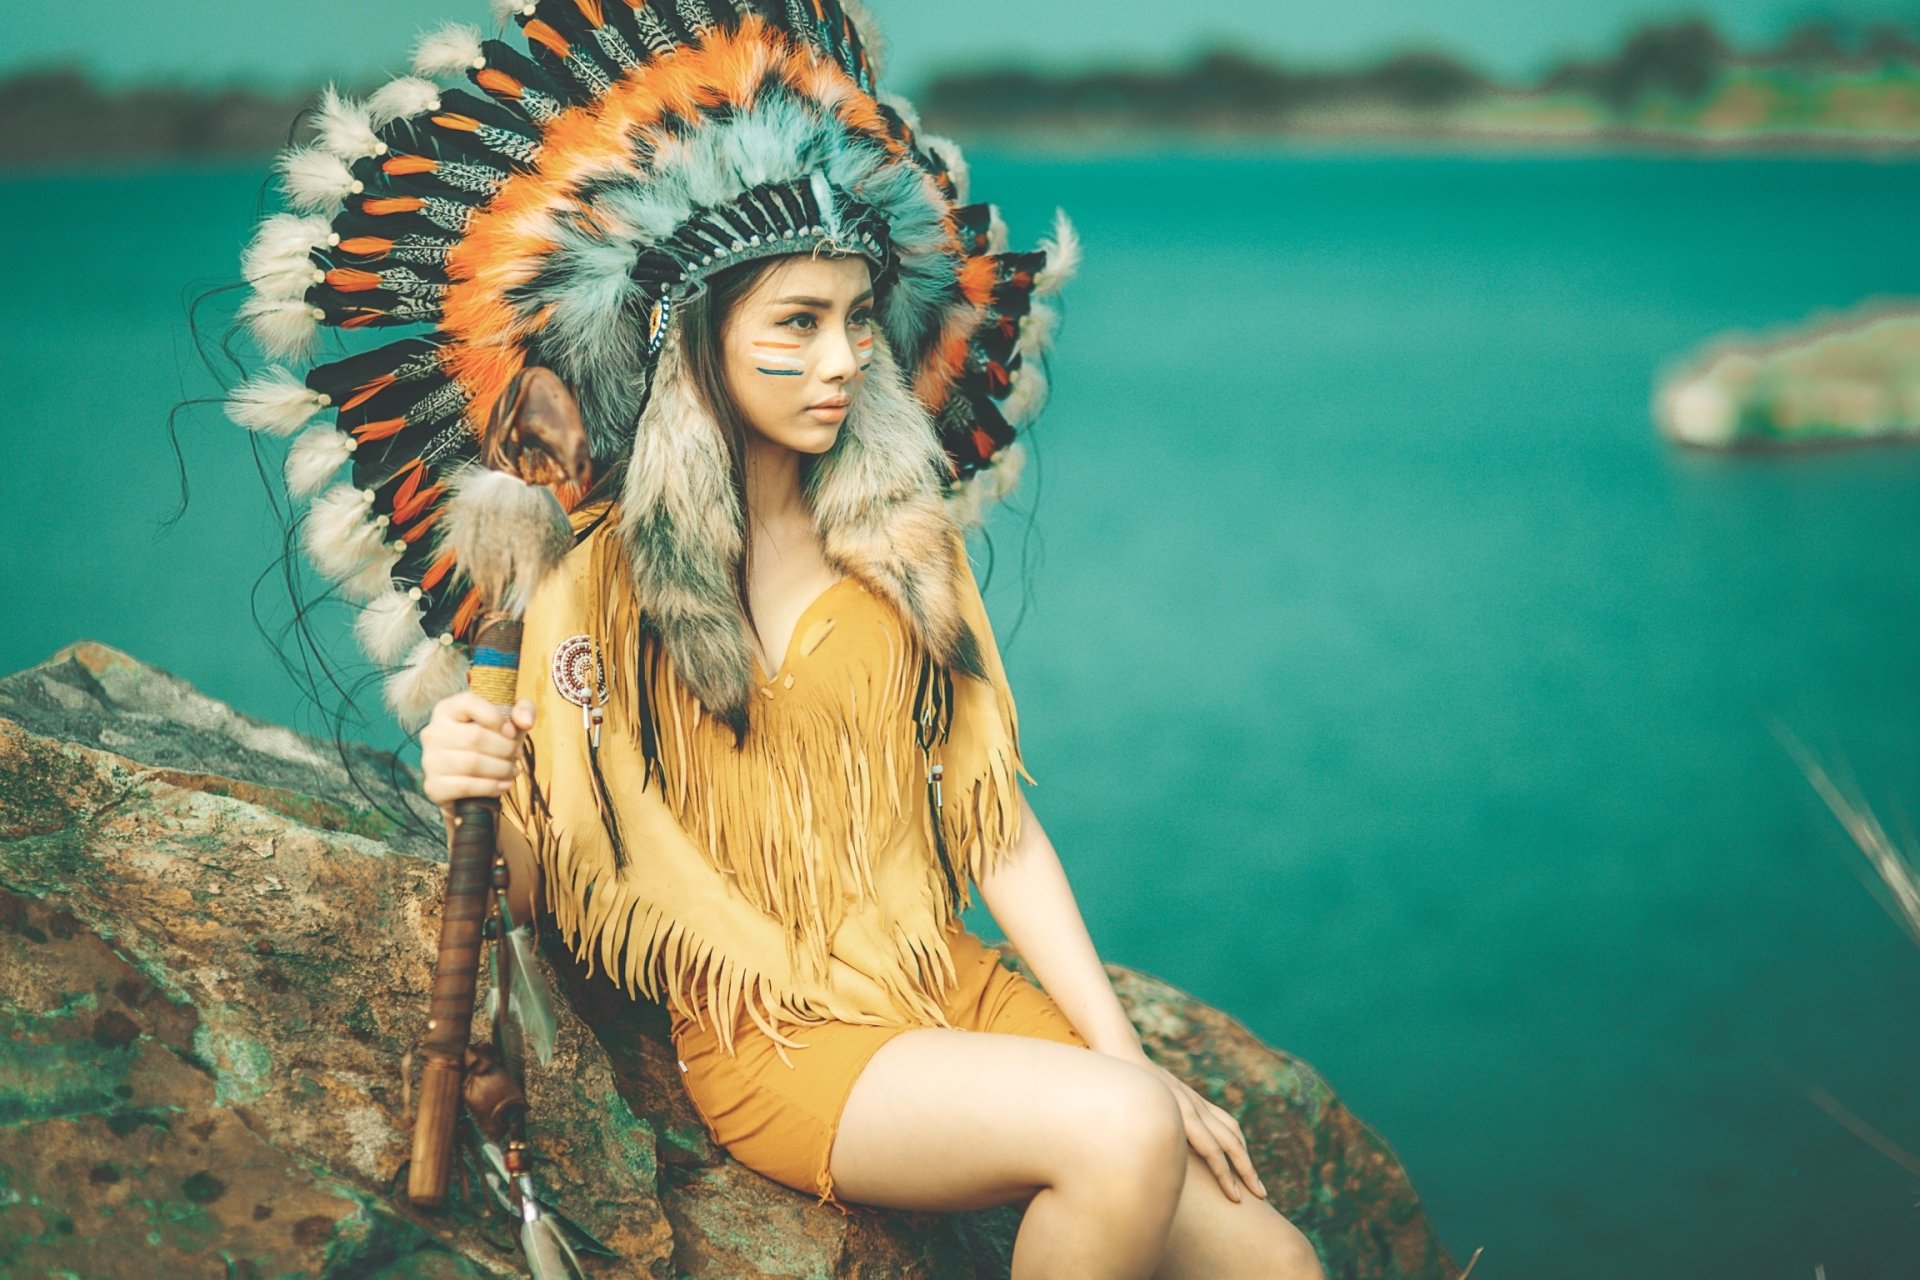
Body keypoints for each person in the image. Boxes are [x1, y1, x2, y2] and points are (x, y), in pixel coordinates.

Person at [226, 2, 1325, 1275]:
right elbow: (548, 873)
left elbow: (994, 821)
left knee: (1273, 1255)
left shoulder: (905, 538)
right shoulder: (593, 580)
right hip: (781, 1034)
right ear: (698, 337)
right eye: (796, 323)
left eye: (858, 318)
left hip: (942, 981)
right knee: (1123, 1131)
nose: (845, 359)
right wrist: (467, 769)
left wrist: (1129, 1050)